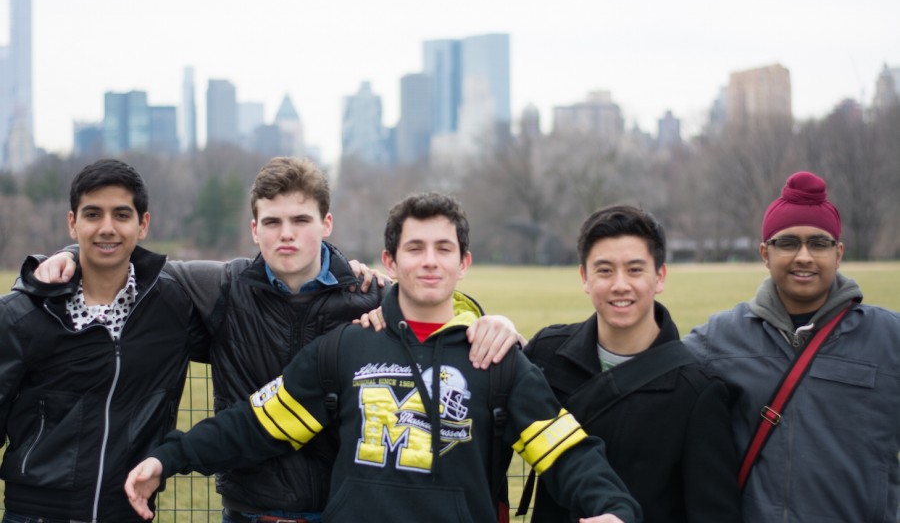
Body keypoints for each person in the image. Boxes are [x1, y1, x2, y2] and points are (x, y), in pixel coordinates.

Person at [34, 156, 521, 523]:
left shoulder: (367, 296)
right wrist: (63, 256)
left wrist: (486, 318)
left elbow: (435, 304)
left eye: (300, 221)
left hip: (339, 508)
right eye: (272, 222)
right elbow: (124, 255)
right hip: (249, 508)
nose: (286, 234)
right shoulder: (220, 287)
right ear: (255, 229)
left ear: (326, 224)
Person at [124, 191, 642, 523]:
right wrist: (168, 458)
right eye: (415, 248)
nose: (430, 261)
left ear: (464, 263)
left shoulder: (494, 356)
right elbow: (257, 424)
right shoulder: (348, 347)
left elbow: (563, 448)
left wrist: (614, 508)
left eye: (443, 249)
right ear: (391, 261)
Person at [683, 171, 900, 522]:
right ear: (765, 254)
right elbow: (651, 380)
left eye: (818, 243)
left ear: (838, 253)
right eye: (788, 243)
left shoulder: (889, 338)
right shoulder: (719, 339)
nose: (803, 256)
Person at [0, 159, 209, 522]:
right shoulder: (22, 315)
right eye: (93, 214)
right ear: (73, 222)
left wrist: (340, 277)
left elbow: (252, 288)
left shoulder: (174, 308)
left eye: (122, 215)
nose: (107, 228)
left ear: (143, 224)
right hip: (35, 514)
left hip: (128, 511)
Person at [523, 205, 741, 522]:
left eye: (635, 270)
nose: (620, 285)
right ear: (584, 277)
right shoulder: (546, 355)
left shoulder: (698, 393)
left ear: (660, 276)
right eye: (605, 270)